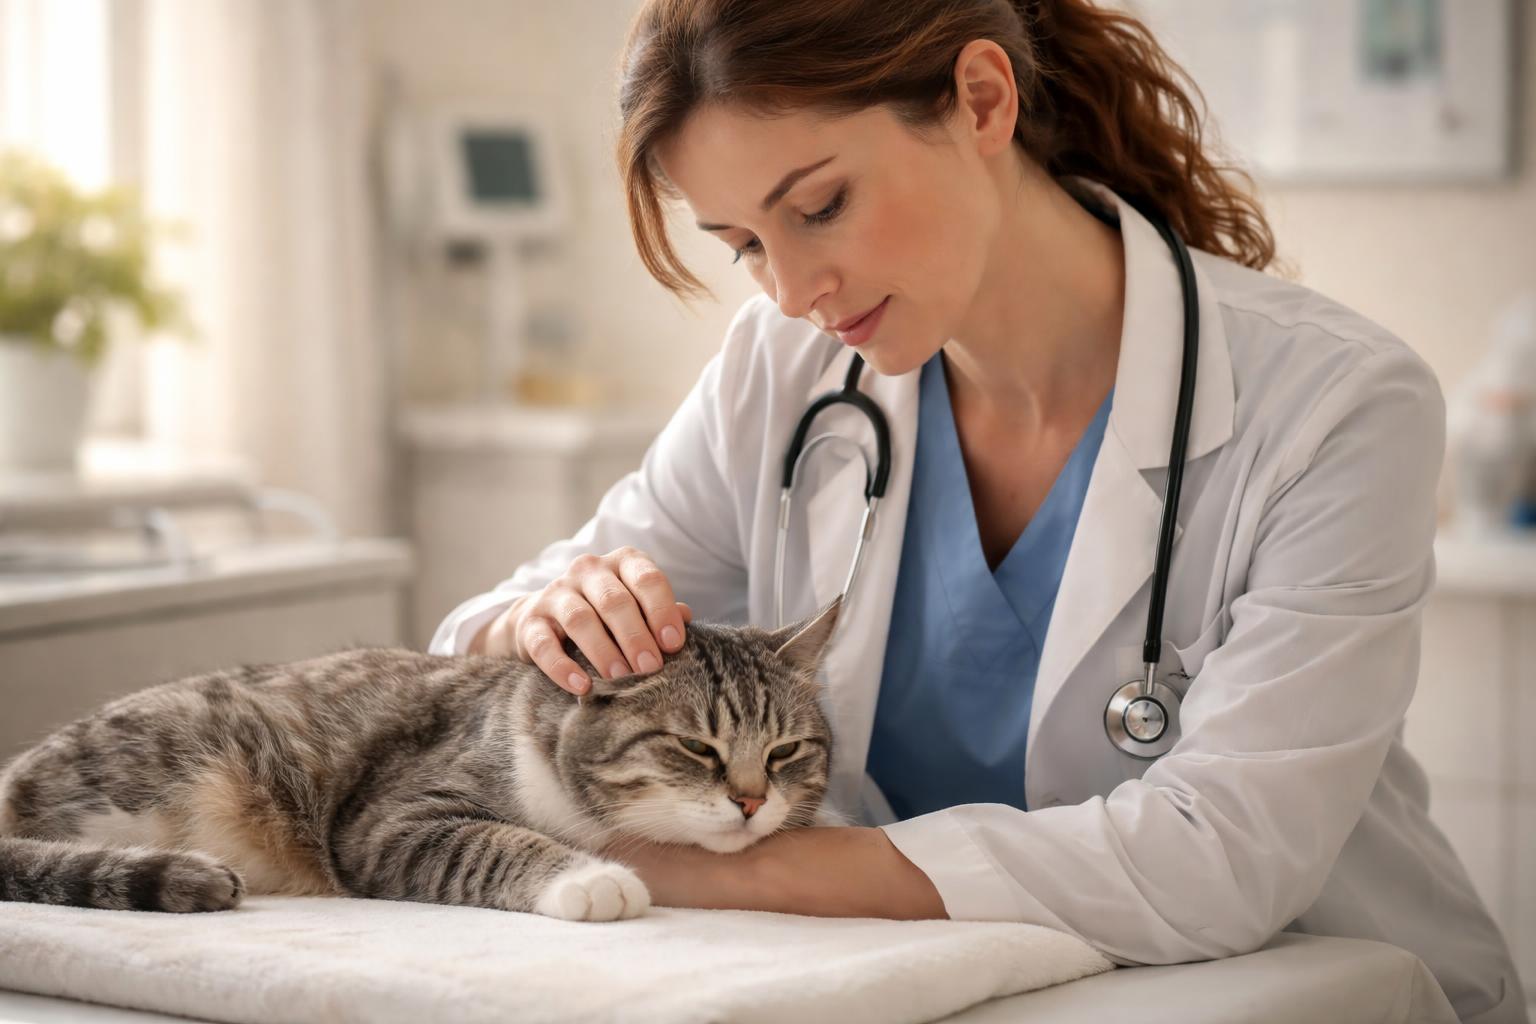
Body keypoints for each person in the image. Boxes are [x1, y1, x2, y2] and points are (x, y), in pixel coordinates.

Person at [430, 1, 1524, 1019]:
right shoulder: (783, 375)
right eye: (748, 245)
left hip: (1304, 991)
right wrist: (555, 622)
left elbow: (1221, 859)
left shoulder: (1335, 403)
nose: (793, 289)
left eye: (821, 206)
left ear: (985, 101)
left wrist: (691, 864)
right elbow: (471, 637)